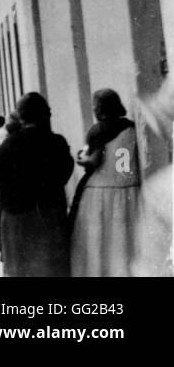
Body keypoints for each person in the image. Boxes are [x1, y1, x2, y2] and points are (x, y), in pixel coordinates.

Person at [0, 92, 73, 277]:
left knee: (21, 269)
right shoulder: (56, 143)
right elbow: (65, 172)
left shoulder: (8, 145)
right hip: (49, 216)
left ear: (21, 116)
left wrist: (12, 206)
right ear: (46, 114)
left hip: (17, 220)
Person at [69, 89, 140, 277]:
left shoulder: (99, 130)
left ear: (99, 108)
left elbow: (92, 161)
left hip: (100, 193)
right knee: (124, 243)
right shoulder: (132, 128)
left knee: (100, 243)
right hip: (129, 191)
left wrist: (80, 159)